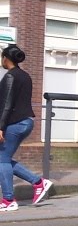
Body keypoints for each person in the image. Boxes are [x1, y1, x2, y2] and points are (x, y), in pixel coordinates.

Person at [0, 44, 52, 210]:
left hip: (14, 123)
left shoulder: (10, 76)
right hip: (26, 121)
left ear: (6, 58)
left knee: (1, 160)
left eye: (2, 57)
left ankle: (8, 200)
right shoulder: (25, 76)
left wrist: (0, 127)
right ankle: (38, 182)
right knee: (4, 159)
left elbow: (7, 104)